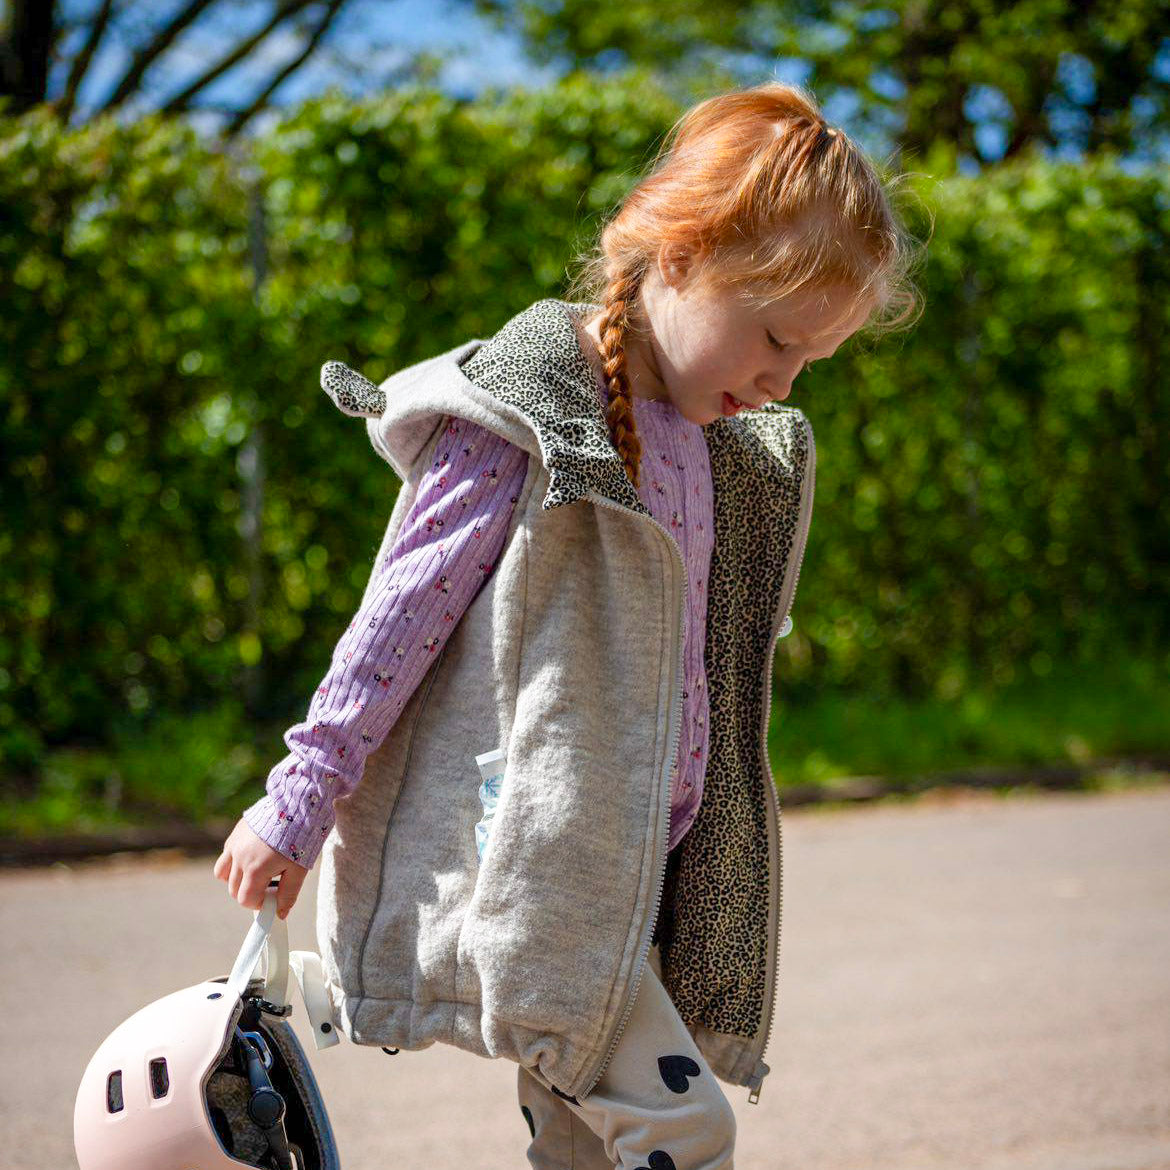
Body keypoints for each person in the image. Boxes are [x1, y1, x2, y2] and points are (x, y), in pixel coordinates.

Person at [214, 81, 921, 1169]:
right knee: (682, 1129)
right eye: (775, 338)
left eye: (809, 364)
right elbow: (396, 619)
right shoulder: (525, 415)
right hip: (549, 884)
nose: (782, 382)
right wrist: (299, 796)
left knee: (585, 1155)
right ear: (681, 255)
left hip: (635, 877)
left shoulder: (710, 445)